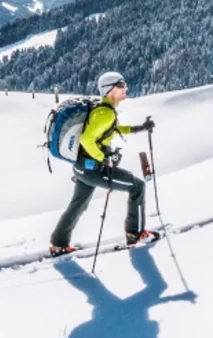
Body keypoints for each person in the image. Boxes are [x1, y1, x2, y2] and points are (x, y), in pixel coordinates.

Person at [50, 71, 156, 256]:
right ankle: (136, 234)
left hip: (81, 167)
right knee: (137, 187)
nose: (125, 88)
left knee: (78, 204)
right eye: (121, 85)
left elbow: (111, 130)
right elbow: (87, 139)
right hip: (94, 169)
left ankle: (58, 244)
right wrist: (104, 159)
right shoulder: (105, 113)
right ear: (109, 90)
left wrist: (139, 128)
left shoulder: (103, 110)